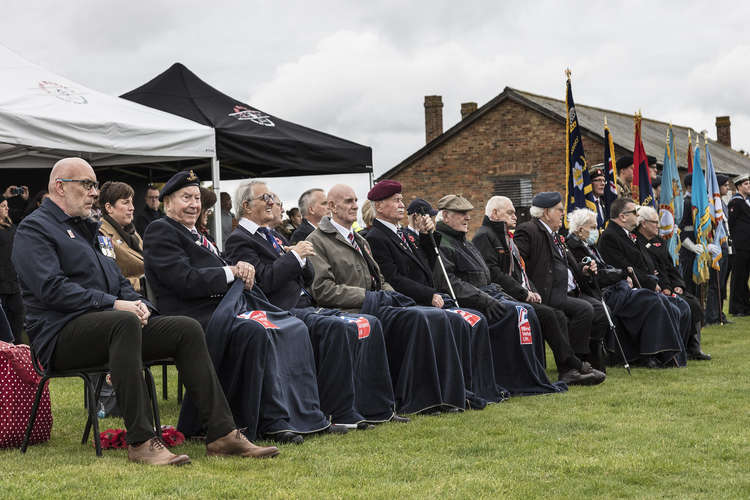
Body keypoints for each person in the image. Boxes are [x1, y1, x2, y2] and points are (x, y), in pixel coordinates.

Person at [13, 158, 278, 465]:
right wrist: (114, 304)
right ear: (60, 186)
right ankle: (141, 440)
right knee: (122, 321)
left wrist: (142, 307)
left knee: (185, 328)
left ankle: (222, 434)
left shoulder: (91, 230)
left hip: (110, 325)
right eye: (87, 185)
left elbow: (119, 282)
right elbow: (51, 288)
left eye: (95, 185)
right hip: (60, 334)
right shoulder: (34, 229)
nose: (94, 193)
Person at [143, 170, 334, 444]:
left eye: (197, 198)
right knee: (256, 329)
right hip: (189, 315)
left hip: (222, 308)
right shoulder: (161, 230)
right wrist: (232, 272)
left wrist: (238, 273)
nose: (194, 205)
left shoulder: (198, 235)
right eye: (186, 197)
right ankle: (267, 420)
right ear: (167, 202)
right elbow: (183, 280)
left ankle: (302, 415)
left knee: (289, 324)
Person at [224, 181, 397, 427]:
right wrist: (295, 256)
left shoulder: (272, 235)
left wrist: (301, 262)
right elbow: (263, 282)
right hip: (280, 311)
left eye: (273, 196)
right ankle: (339, 412)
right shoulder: (239, 239)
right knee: (339, 328)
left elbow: (304, 277)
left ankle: (376, 407)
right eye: (266, 198)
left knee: (369, 322)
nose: (272, 202)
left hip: (305, 305)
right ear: (246, 206)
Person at [306, 184, 468, 414]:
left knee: (434, 316)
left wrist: (392, 296)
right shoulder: (317, 241)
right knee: (417, 319)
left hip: (378, 303)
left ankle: (447, 396)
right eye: (348, 201)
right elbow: (323, 290)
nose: (354, 206)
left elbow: (381, 279)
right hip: (352, 309)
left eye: (355, 200)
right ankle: (418, 400)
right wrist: (371, 297)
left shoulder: (358, 240)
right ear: (331, 206)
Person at [365, 181, 505, 405]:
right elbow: (394, 278)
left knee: (473, 320)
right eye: (396, 200)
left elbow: (428, 264)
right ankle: (459, 389)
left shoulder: (403, 234)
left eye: (402, 199)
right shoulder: (376, 237)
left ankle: (478, 386)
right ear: (380, 206)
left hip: (429, 297)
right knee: (462, 321)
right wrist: (428, 294)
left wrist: (427, 235)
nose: (402, 205)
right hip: (411, 302)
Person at [433, 194, 571, 393]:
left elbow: (486, 277)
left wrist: (502, 294)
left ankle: (531, 374)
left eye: (468, 213)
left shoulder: (465, 242)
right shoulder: (443, 243)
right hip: (471, 303)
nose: (467, 218)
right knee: (518, 312)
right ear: (445, 216)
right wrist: (486, 300)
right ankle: (514, 379)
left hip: (488, 296)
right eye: (461, 213)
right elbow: (452, 283)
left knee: (526, 311)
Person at [473, 196, 603, 384]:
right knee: (554, 315)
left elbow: (521, 271)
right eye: (510, 212)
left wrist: (532, 291)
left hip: (526, 294)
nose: (516, 216)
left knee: (559, 314)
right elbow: (494, 274)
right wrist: (524, 293)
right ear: (494, 213)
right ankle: (573, 365)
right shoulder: (485, 236)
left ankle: (572, 368)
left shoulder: (503, 236)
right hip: (503, 297)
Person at [513, 192, 609, 373]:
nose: (562, 214)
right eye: (559, 210)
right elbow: (519, 264)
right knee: (584, 309)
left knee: (599, 309)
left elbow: (569, 265)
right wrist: (530, 290)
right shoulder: (529, 230)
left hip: (567, 291)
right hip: (546, 292)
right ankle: (576, 362)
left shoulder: (556, 235)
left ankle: (591, 359)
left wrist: (584, 269)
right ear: (546, 212)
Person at [597, 198, 688, 367]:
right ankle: (650, 355)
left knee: (679, 306)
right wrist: (649, 282)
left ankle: (673, 353)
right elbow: (622, 267)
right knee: (654, 302)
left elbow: (641, 264)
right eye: (634, 212)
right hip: (620, 290)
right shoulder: (610, 236)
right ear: (623, 217)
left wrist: (653, 280)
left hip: (639, 285)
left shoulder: (626, 234)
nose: (637, 216)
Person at [636, 206, 710, 360]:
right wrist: (666, 288)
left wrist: (678, 284)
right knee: (681, 305)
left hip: (670, 286)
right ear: (643, 224)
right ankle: (676, 348)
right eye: (654, 222)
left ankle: (693, 347)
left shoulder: (659, 242)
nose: (658, 225)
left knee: (693, 303)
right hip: (656, 288)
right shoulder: (637, 242)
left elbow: (671, 268)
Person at [98, 181, 145, 292]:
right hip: (135, 295)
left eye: (132, 202)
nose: (132, 208)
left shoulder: (131, 231)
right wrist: (143, 283)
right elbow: (111, 278)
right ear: (109, 208)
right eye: (126, 203)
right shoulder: (102, 235)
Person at [705, 174, 732, 324]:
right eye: (725, 186)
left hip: (725, 245)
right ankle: (712, 315)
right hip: (716, 246)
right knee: (715, 284)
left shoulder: (722, 203)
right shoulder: (711, 204)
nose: (727, 188)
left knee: (722, 283)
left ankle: (719, 313)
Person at [0, 197, 23, 343]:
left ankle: (18, 354)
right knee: (4, 327)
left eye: (7, 205)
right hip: (1, 284)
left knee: (17, 322)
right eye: (2, 206)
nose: (6, 208)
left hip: (14, 282)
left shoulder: (12, 227)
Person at [727, 173, 750, 316]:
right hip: (740, 246)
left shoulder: (746, 201)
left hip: (747, 246)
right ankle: (736, 308)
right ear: (739, 187)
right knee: (738, 277)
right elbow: (731, 224)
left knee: (745, 277)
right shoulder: (736, 202)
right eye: (746, 184)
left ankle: (745, 306)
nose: (749, 186)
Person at [589, 164, 607, 228]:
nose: (602, 183)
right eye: (598, 180)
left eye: (604, 181)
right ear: (590, 183)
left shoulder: (604, 203)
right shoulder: (586, 203)